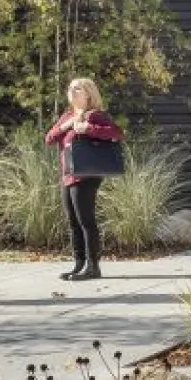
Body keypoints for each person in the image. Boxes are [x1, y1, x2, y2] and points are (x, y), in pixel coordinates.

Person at [44, 76, 124, 281]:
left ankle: (93, 267)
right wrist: (66, 125)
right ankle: (78, 264)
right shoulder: (68, 115)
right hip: (68, 175)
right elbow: (49, 139)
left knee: (86, 220)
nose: (72, 91)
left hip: (87, 174)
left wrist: (88, 128)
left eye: (78, 88)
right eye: (70, 88)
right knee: (73, 222)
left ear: (89, 93)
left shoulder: (95, 115)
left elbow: (117, 133)